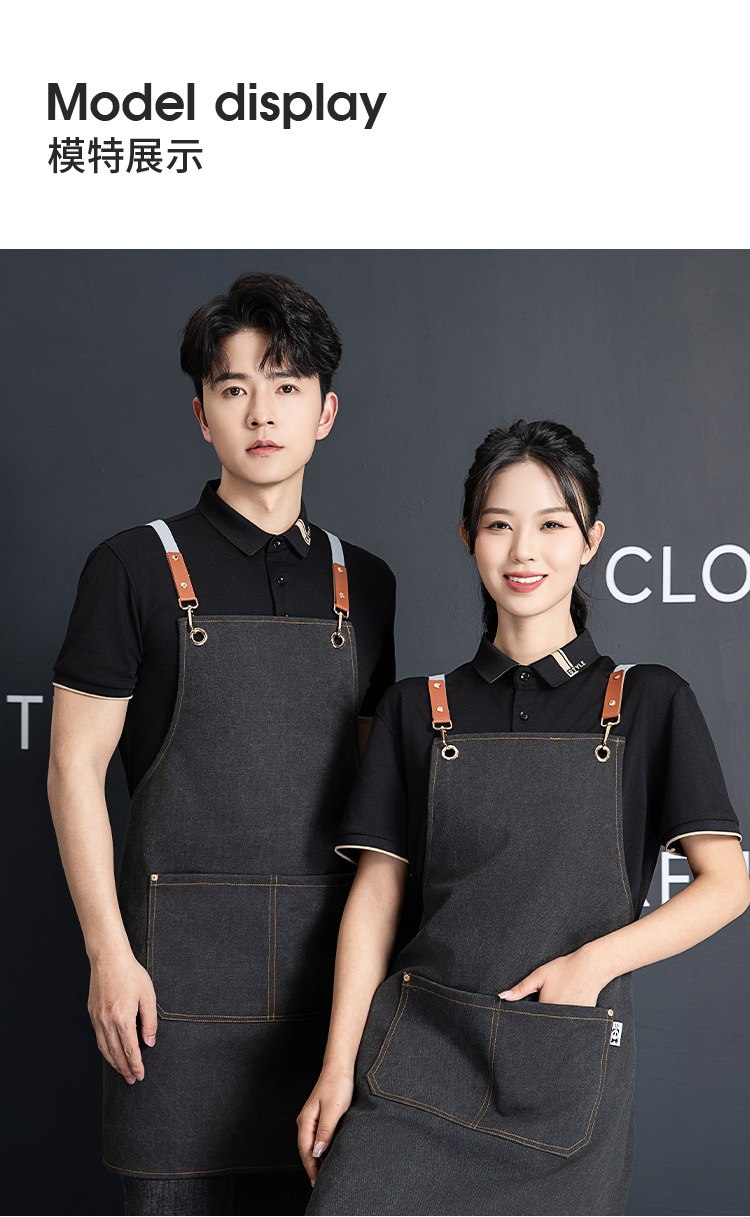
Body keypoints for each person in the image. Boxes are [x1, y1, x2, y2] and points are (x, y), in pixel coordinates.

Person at [298, 419, 748, 1216]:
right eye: (500, 524)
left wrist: (592, 965)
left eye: (552, 525)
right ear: (468, 537)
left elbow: (727, 883)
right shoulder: (416, 709)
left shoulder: (648, 701)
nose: (523, 551)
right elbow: (375, 896)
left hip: (560, 1073)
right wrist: (337, 1068)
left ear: (592, 541)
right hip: (415, 1058)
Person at [47, 272, 396, 1217]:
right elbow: (73, 767)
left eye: (286, 386)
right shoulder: (131, 566)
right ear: (202, 413)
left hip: (326, 1004)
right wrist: (108, 954)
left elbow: (376, 815)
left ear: (326, 412)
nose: (261, 412)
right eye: (235, 387)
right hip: (169, 998)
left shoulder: (366, 584)